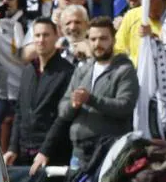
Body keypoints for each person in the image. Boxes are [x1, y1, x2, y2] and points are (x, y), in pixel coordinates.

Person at [34, 18, 137, 173]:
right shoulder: (82, 70)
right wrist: (73, 104)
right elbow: (63, 108)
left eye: (103, 39)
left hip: (108, 149)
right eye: (93, 39)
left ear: (113, 40)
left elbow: (125, 106)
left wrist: (91, 99)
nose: (97, 44)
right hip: (79, 150)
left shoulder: (125, 71)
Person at [5, 17, 74, 169]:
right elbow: (19, 113)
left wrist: (45, 151)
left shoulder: (67, 72)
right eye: (37, 35)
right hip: (23, 154)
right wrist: (12, 148)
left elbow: (63, 117)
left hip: (53, 156)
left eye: (46, 35)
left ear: (56, 36)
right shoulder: (28, 71)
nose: (41, 40)